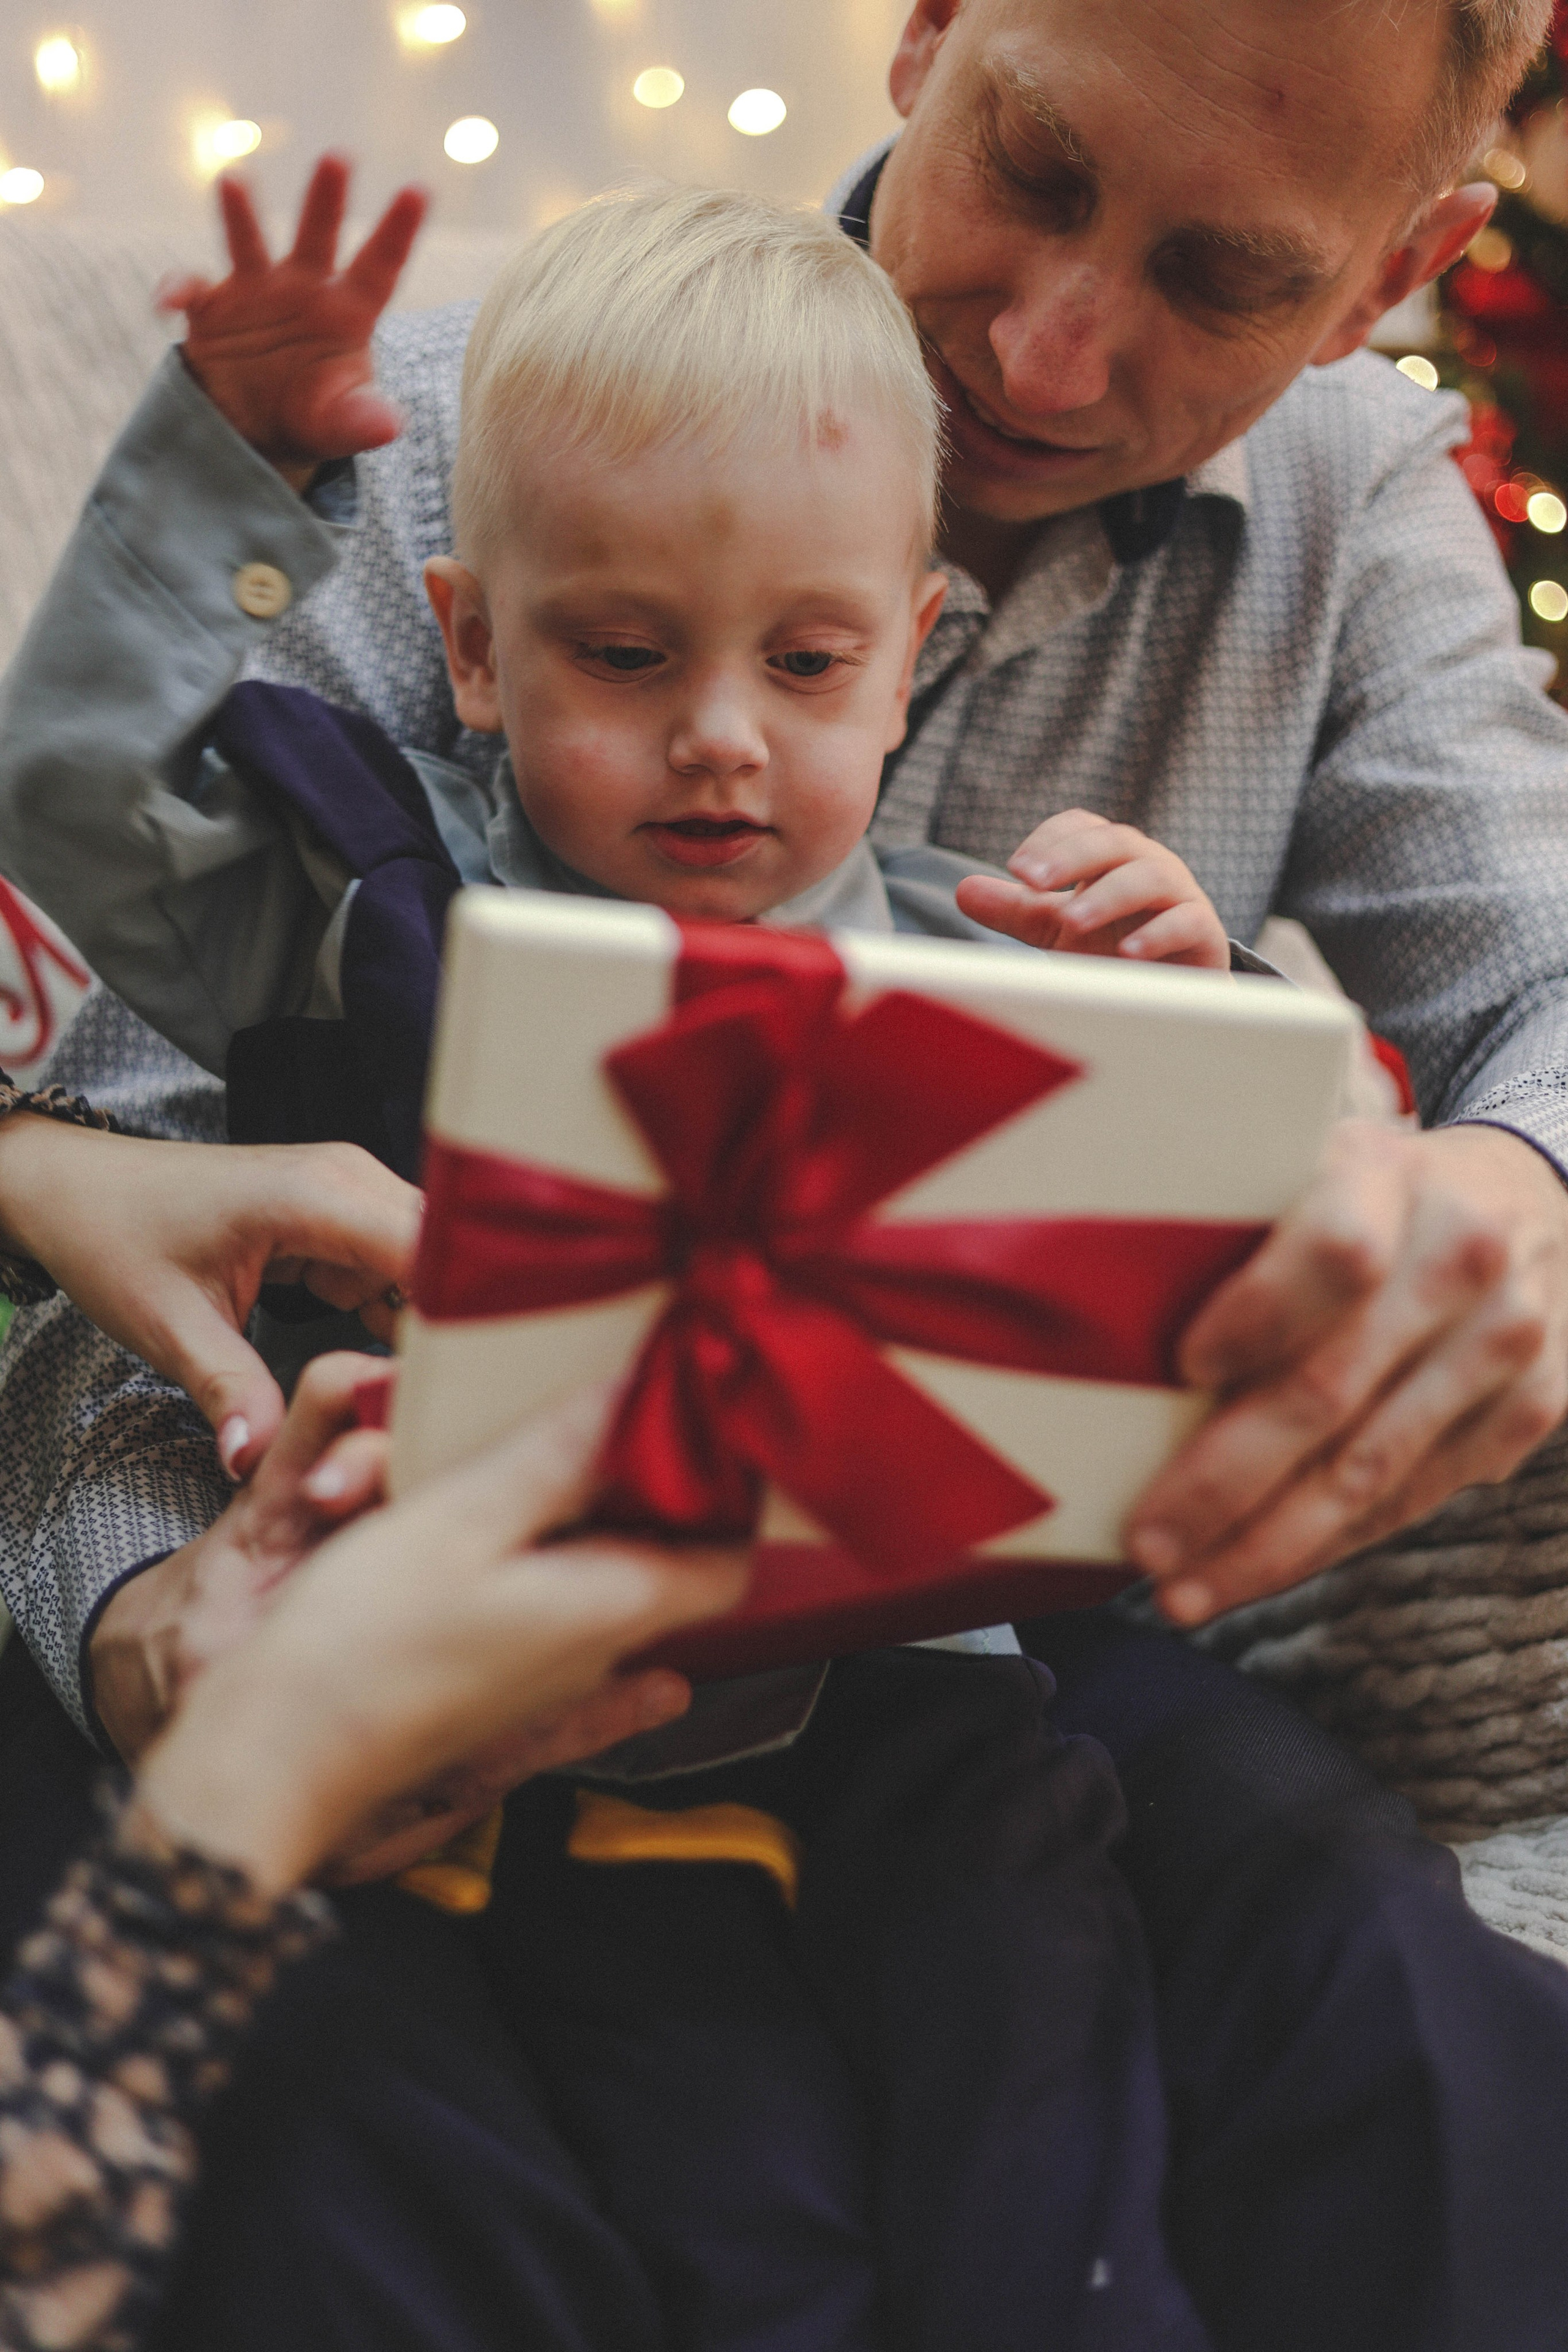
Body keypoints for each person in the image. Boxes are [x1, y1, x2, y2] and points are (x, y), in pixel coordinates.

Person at [4, 0, 1568, 2337]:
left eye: (1223, 278)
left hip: (955, 1656)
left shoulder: (1346, 519)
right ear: (928, 38)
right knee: (382, 2128)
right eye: (1032, 167)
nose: (1046, 351)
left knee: (1356, 2000)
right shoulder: (438, 450)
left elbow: (1464, 1029)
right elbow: (80, 1071)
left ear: (1390, 278)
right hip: (401, 1597)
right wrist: (174, 1654)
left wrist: (1464, 1158)